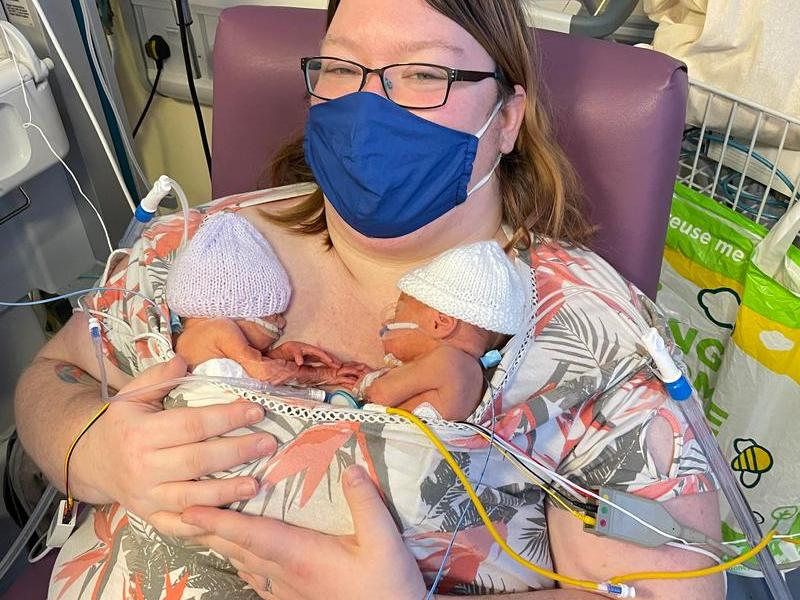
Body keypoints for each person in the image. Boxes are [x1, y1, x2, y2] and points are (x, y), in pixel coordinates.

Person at [13, 0, 724, 599]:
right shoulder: (200, 251)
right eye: (343, 69)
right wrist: (93, 447)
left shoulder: (589, 333)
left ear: (507, 119)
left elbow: (671, 588)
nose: (368, 105)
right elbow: (56, 378)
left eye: (423, 74)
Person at [166, 211, 365, 387]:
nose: (282, 322)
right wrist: (321, 373)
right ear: (242, 314)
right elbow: (265, 372)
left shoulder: (199, 343)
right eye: (274, 315)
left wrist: (282, 355)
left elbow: (248, 371)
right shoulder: (220, 329)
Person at [357, 239, 526, 420]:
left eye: (398, 312)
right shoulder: (471, 374)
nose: (389, 322)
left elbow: (379, 395)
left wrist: (365, 384)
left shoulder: (448, 362)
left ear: (440, 324)